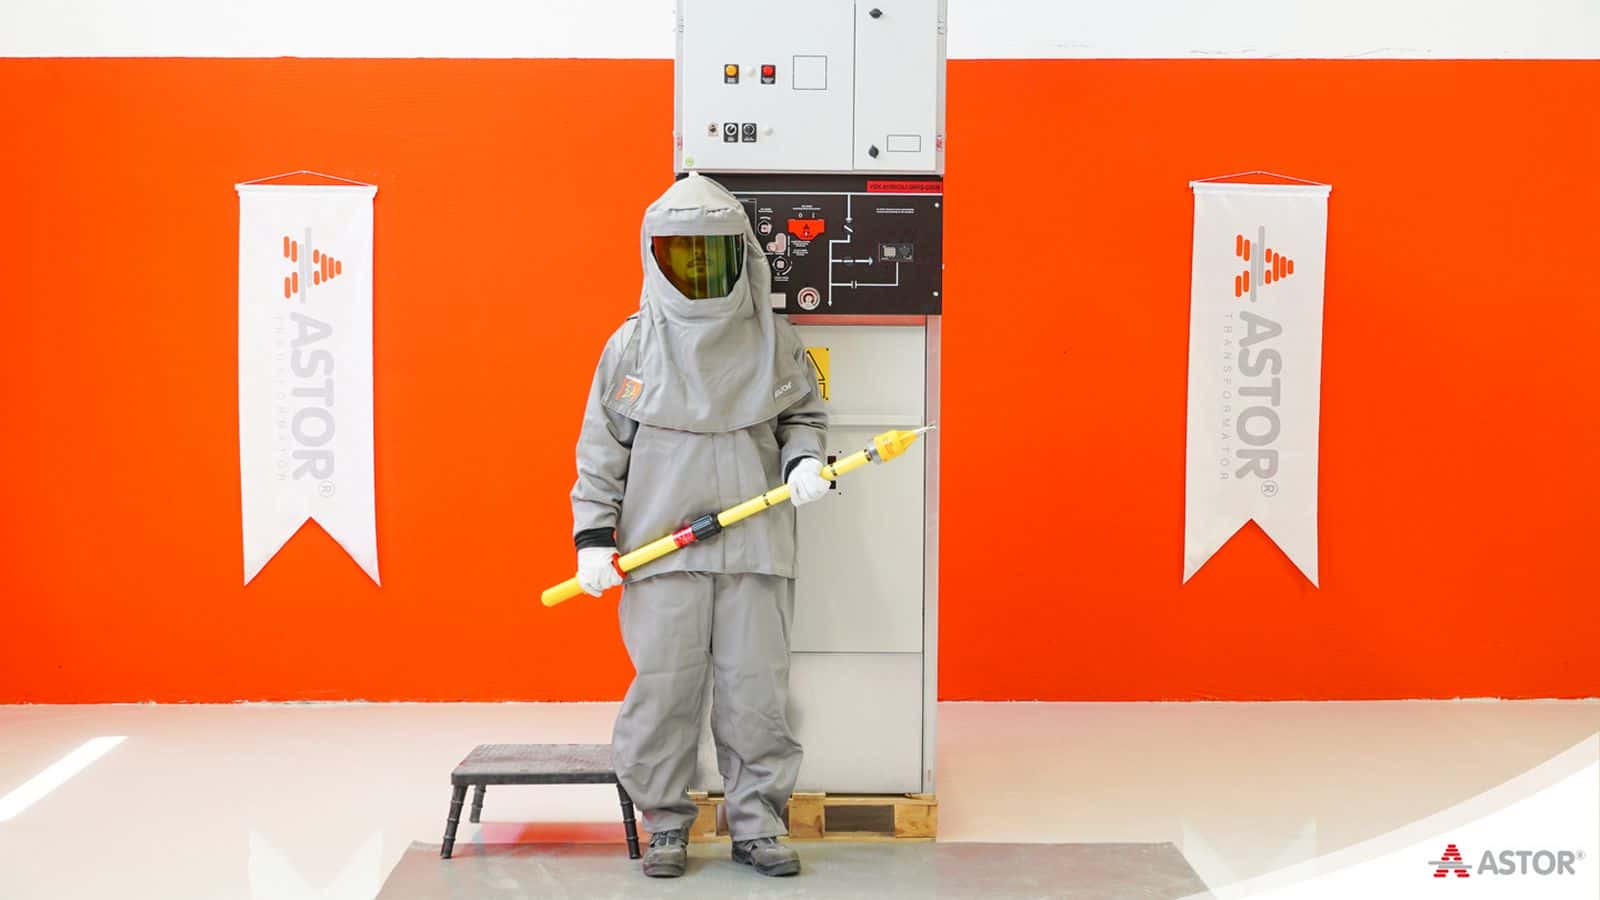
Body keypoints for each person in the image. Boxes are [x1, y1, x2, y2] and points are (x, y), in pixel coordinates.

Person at [569, 173, 831, 878]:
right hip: (661, 551)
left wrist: (805, 461)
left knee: (756, 693)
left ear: (741, 253)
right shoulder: (630, 348)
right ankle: (664, 822)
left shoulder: (774, 341)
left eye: (712, 254)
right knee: (664, 690)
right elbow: (601, 453)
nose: (697, 269)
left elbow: (803, 416)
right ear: (654, 256)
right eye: (681, 254)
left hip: (755, 546)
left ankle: (758, 824)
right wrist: (592, 539)